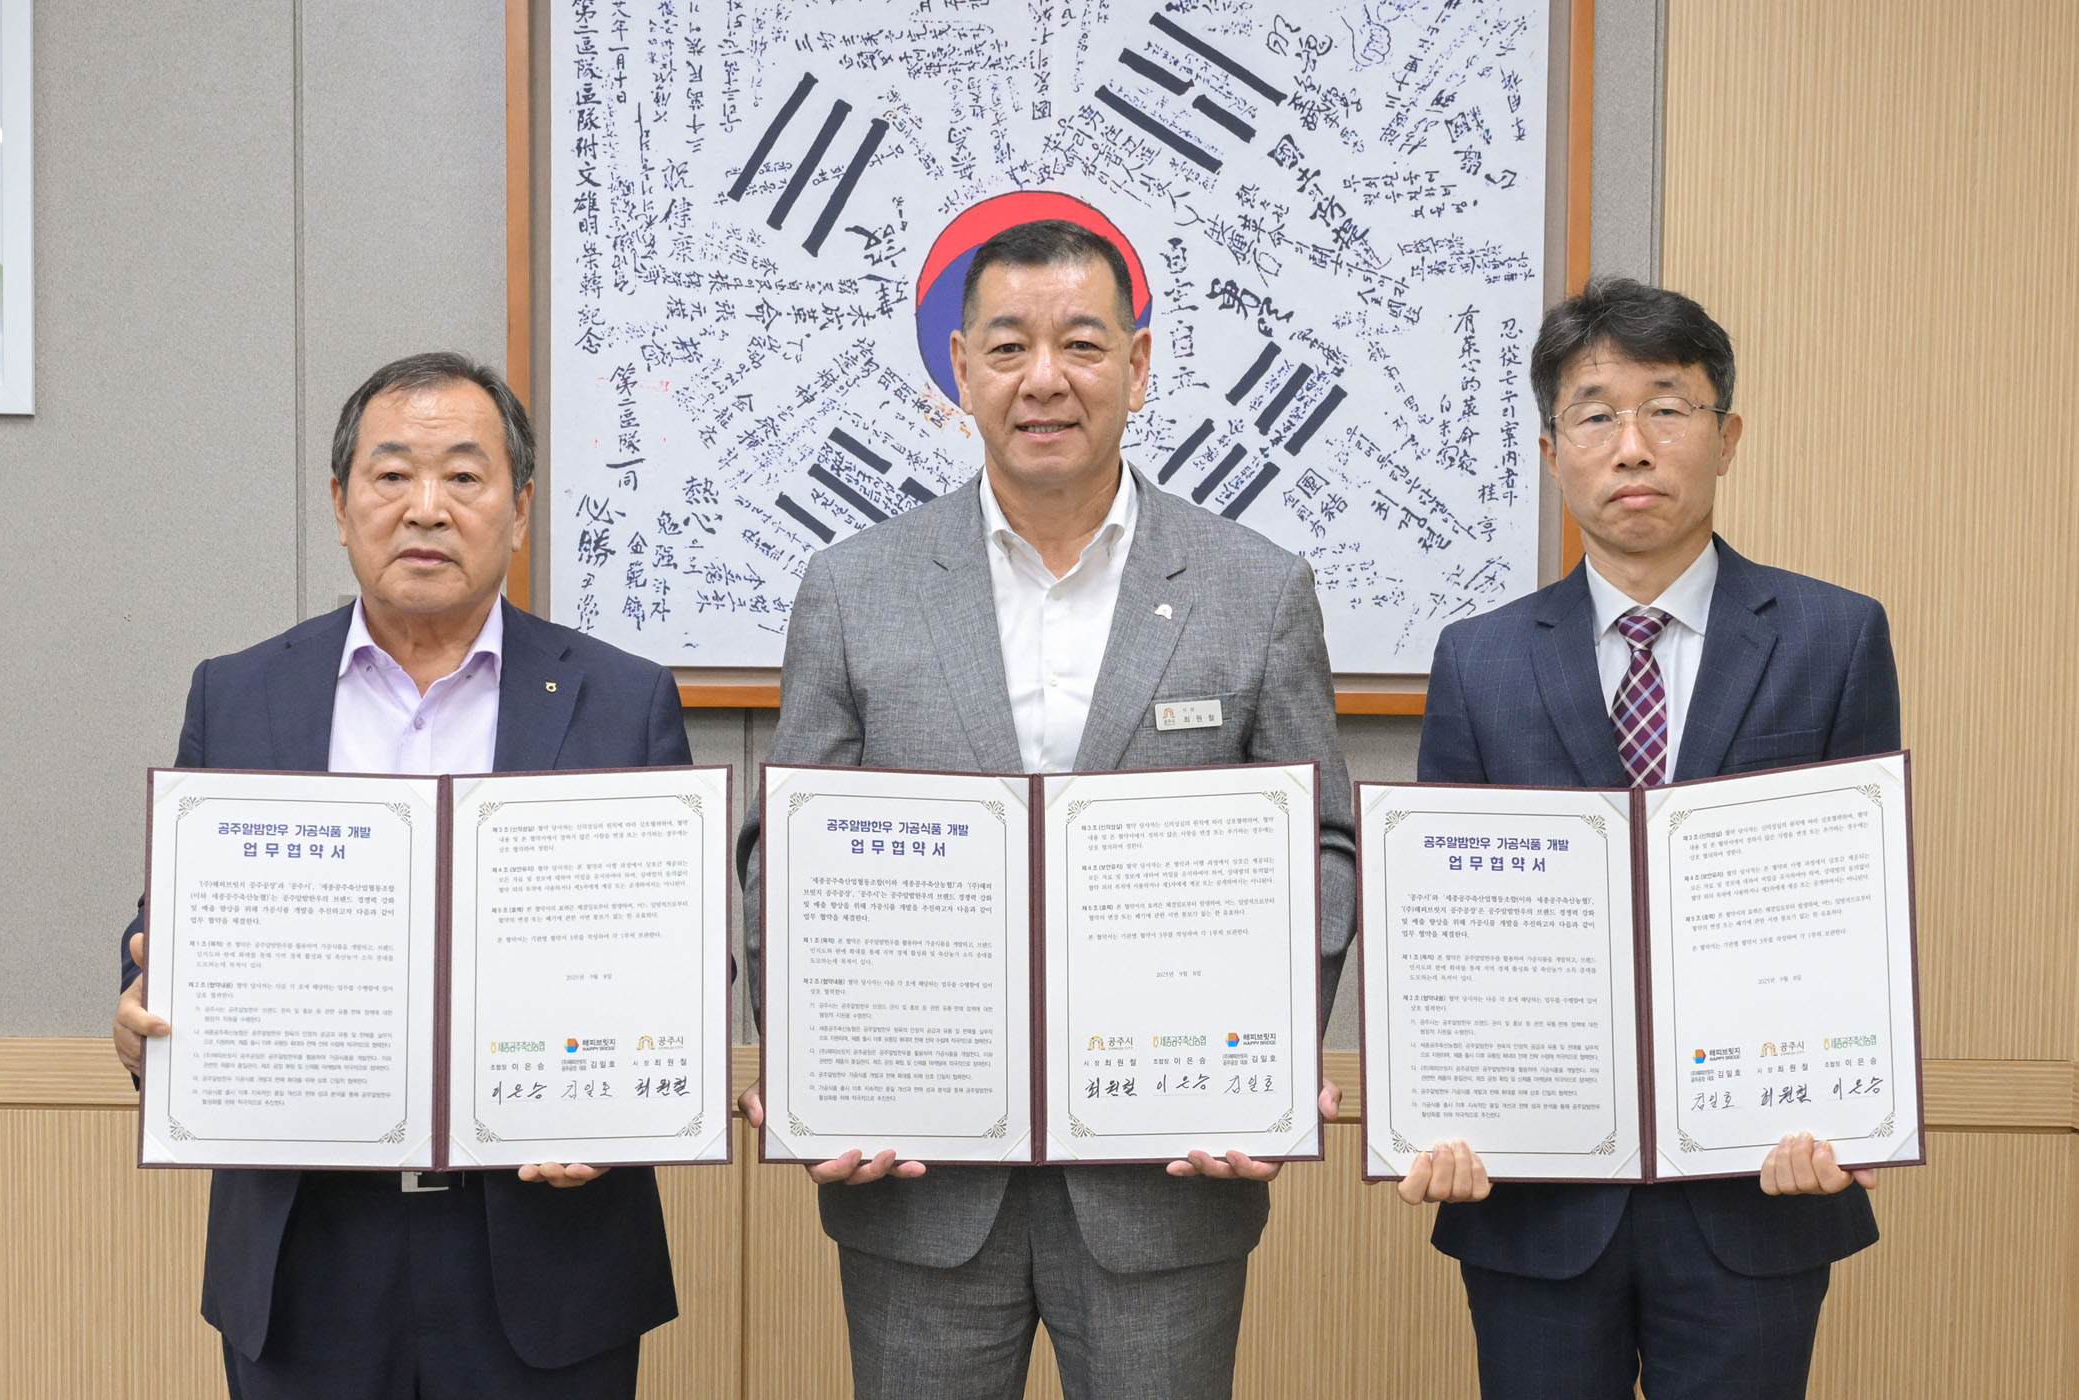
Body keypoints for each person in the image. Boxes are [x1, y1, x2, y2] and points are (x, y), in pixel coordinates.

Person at [733, 219, 1356, 1400]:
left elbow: (1322, 843)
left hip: (1165, 1173)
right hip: (918, 1175)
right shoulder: (853, 588)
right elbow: (788, 853)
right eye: (1010, 346)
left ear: (1140, 363)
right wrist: (813, 1065)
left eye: (1082, 342)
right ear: (961, 367)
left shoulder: (1256, 587)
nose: (1045, 379)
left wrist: (1269, 1058)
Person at [110, 352, 689, 1400]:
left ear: (519, 508)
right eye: (391, 475)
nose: (427, 507)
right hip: (307, 1253)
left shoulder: (623, 700)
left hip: (544, 1253)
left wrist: (622, 1106)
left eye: (464, 476)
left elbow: (677, 959)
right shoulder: (240, 693)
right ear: (341, 504)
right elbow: (175, 924)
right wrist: (141, 1007)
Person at [1405, 278, 1899, 1399]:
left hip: (1759, 1181)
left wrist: (1849, 1107)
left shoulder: (1833, 636)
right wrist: (1438, 1113)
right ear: (1552, 452)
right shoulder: (1479, 658)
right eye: (1596, 414)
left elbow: (1863, 905)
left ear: (1727, 437)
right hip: (1536, 1193)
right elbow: (1445, 928)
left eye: (1668, 408)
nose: (1632, 445)